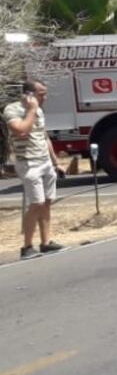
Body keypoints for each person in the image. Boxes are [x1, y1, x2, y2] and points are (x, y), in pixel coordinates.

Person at [4, 80, 64, 260]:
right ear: (28, 94)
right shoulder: (12, 110)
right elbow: (20, 130)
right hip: (28, 162)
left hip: (45, 161)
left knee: (46, 201)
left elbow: (44, 136)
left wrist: (55, 162)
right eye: (41, 94)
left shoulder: (39, 110)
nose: (44, 98)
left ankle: (46, 243)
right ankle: (27, 247)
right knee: (36, 203)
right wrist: (31, 110)